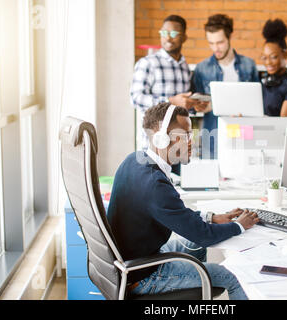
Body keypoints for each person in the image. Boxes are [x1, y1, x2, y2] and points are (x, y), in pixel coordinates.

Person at [107, 102, 259, 300]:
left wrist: (213, 217)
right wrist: (239, 226)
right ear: (161, 138)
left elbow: (180, 216)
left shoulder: (134, 159)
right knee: (234, 277)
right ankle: (200, 283)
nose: (191, 141)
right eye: (185, 135)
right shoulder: (155, 183)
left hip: (135, 261)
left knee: (195, 246)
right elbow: (203, 235)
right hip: (144, 275)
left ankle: (200, 289)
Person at [130, 14, 209, 152]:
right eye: (164, 32)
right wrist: (170, 101)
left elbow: (181, 106)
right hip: (154, 145)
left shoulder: (184, 67)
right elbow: (135, 99)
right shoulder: (148, 63)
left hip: (179, 145)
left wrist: (192, 105)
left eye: (173, 33)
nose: (168, 37)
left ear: (184, 37)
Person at [192, 14, 259, 159]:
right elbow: (194, 106)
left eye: (220, 42)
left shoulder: (249, 65)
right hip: (213, 135)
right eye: (211, 43)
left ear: (230, 37)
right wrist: (199, 106)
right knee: (211, 180)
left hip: (243, 134)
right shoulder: (201, 68)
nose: (215, 48)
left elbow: (256, 103)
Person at [260, 19, 287, 117]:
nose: (268, 62)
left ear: (285, 55)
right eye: (264, 57)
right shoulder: (260, 80)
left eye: (273, 57)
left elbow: (283, 124)